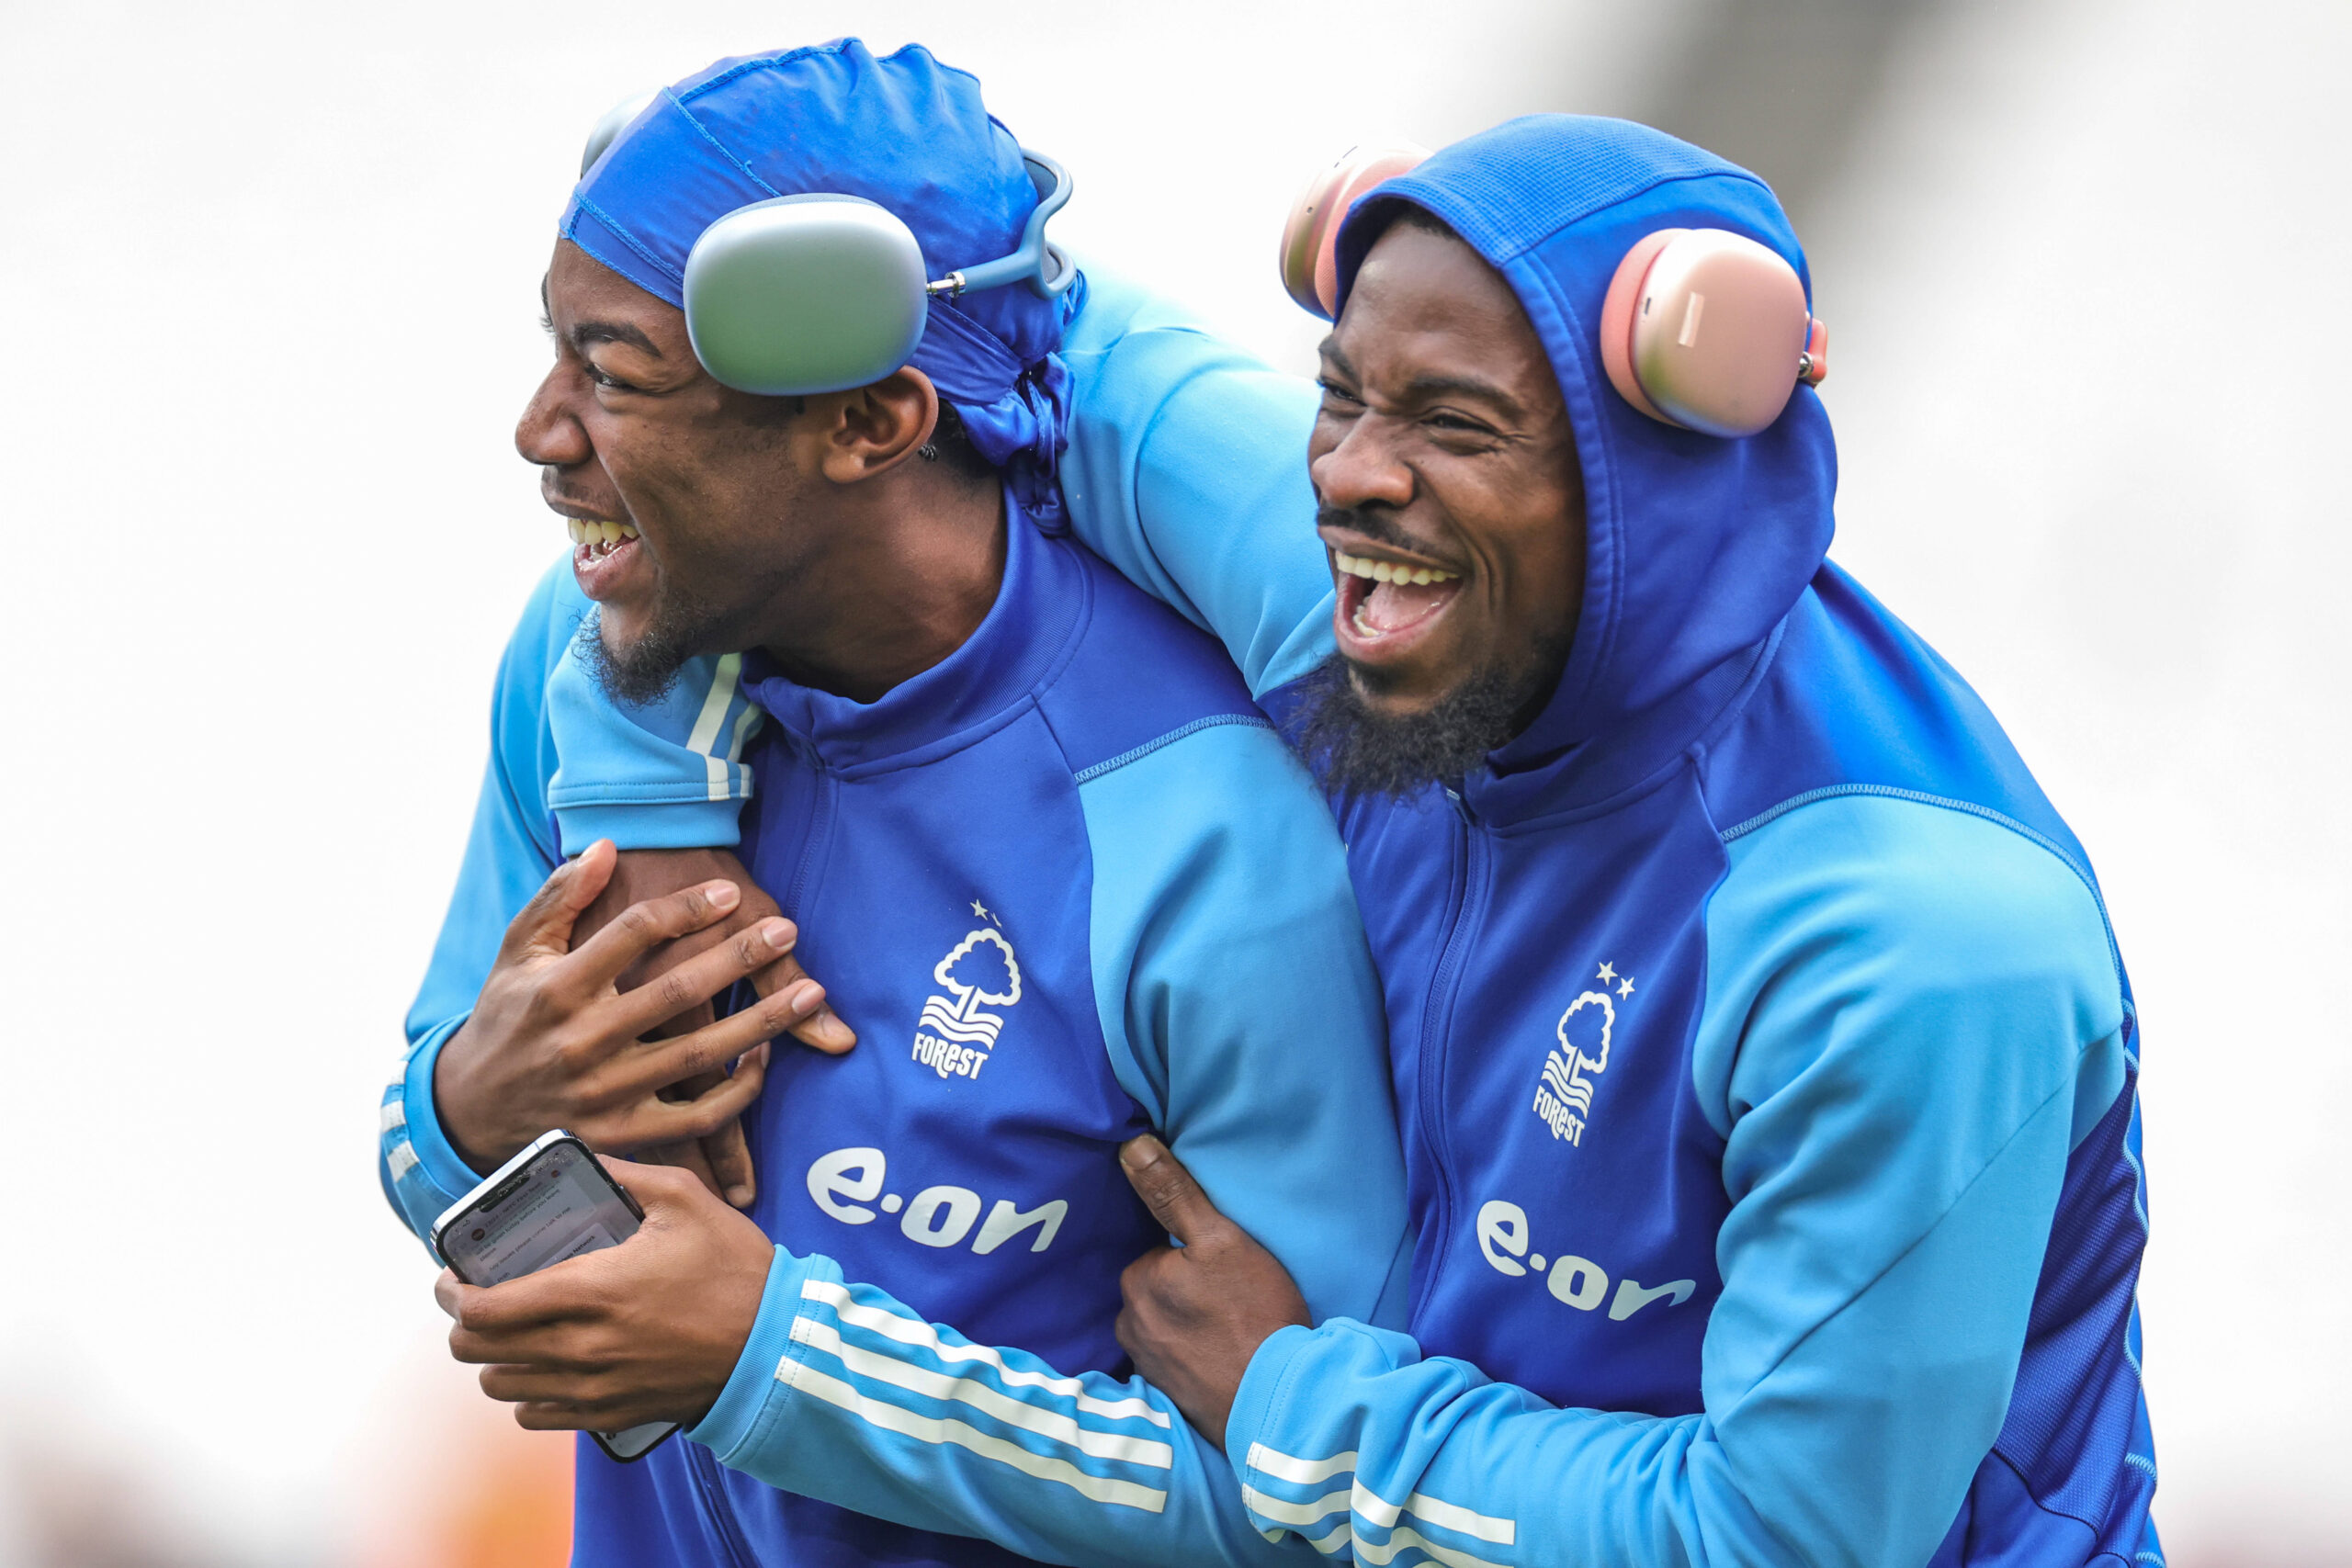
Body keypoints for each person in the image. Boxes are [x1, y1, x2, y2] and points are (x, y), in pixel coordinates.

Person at [536, 116, 2159, 1565]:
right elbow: (982, 344)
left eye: (1455, 422)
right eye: (1340, 395)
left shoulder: (1907, 944)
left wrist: (1298, 1407)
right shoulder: (1395, 633)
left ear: (1656, 469)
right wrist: (656, 805)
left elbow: (1787, 1541)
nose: (1356, 475)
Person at [379, 40, 1408, 1568]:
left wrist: (770, 1362)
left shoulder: (1202, 842)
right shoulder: (595, 655)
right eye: (557, 351)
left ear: (871, 424)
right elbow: (425, 1150)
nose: (539, 428)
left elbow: (1304, 1502)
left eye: (615, 375)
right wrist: (471, 1107)